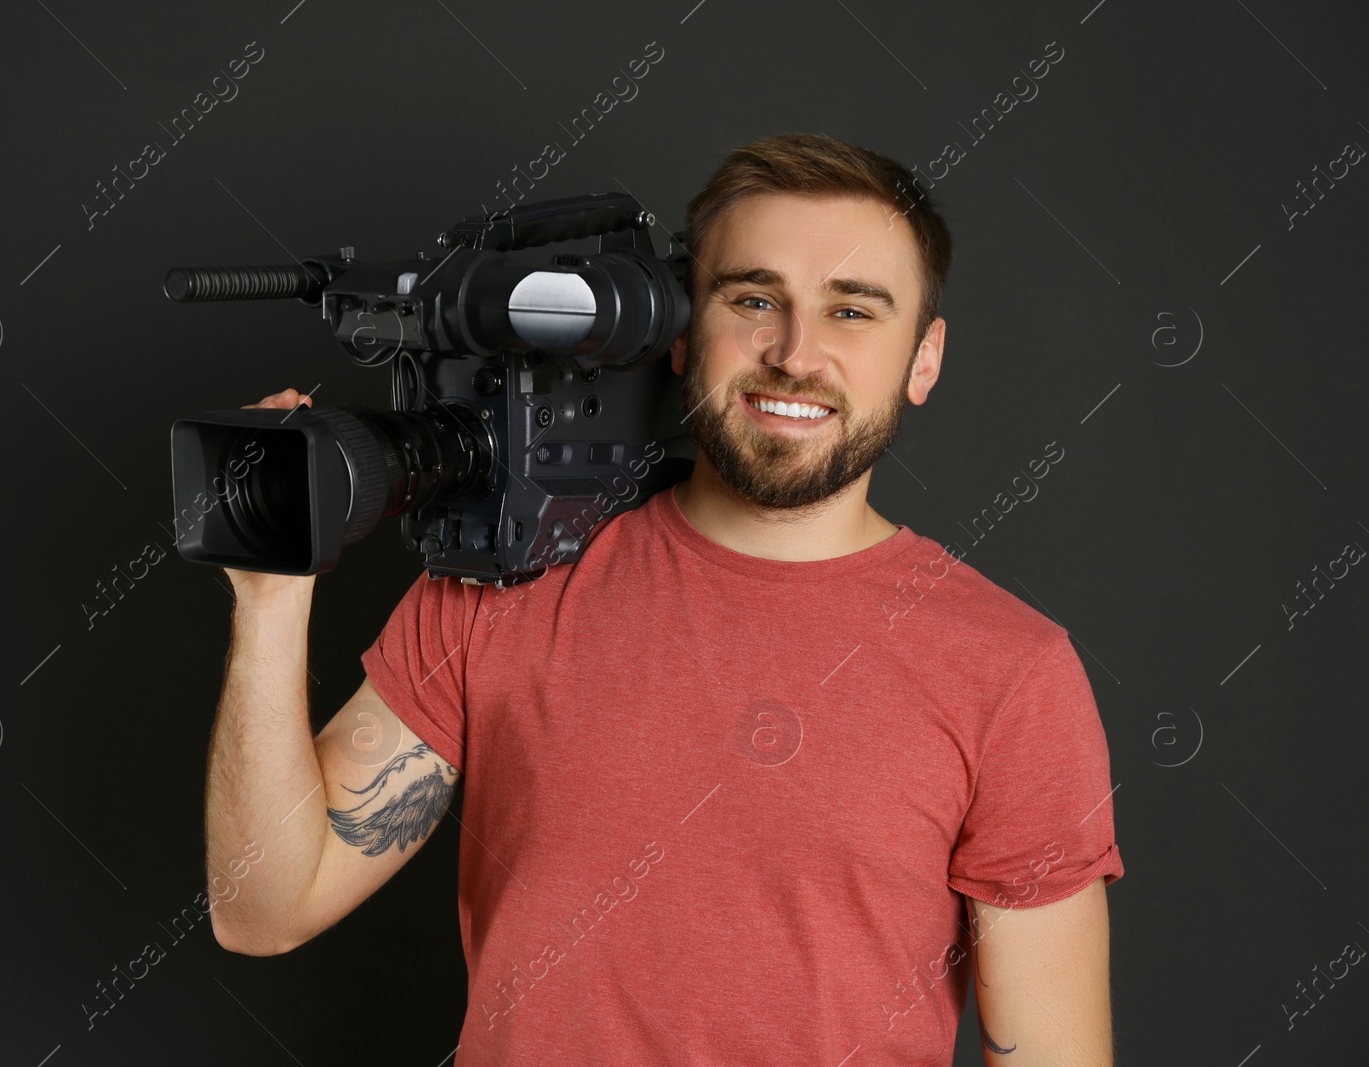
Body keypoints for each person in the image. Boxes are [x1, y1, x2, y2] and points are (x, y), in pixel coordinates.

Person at [202, 131, 1123, 1067]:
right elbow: (263, 908)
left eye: (853, 311)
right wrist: (271, 608)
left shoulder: (1011, 672)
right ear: (682, 332)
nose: (796, 354)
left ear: (923, 359)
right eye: (756, 299)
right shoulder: (506, 579)